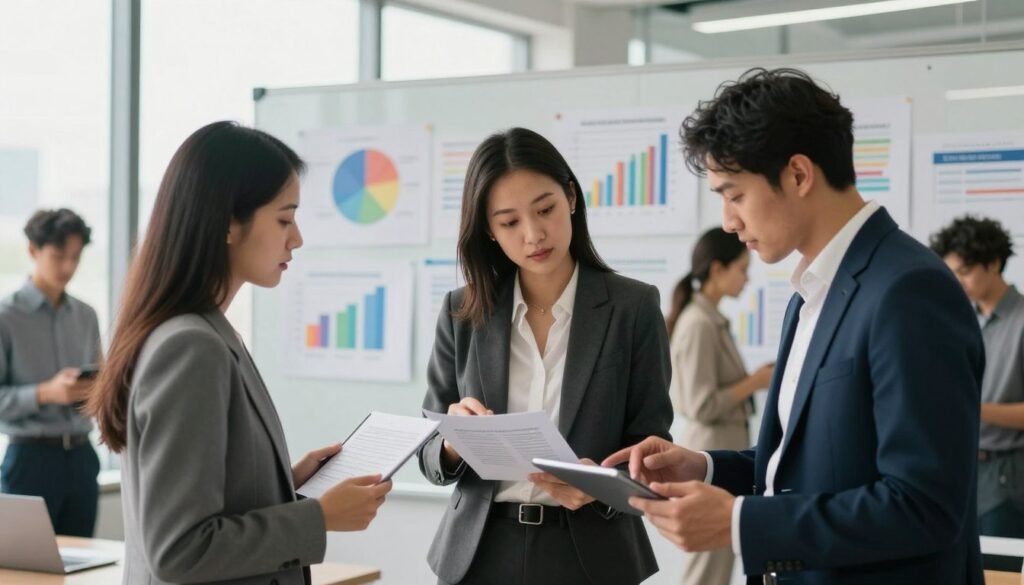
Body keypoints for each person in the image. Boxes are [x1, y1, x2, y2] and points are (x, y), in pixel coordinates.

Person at [605, 68, 985, 585]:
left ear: (799, 175)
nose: (728, 221)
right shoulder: (813, 291)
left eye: (734, 194)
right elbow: (809, 464)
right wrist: (705, 468)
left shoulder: (908, 291)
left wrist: (738, 523)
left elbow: (924, 505)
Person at [86, 121, 392, 584]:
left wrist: (287, 479)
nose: (297, 238)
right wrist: (320, 516)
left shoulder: (208, 332)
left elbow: (208, 495)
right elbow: (179, 551)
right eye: (285, 219)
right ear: (229, 222)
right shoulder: (191, 346)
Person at [417, 127, 673, 585]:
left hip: (592, 553)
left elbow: (650, 446)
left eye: (546, 209)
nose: (534, 234)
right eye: (509, 222)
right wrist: (454, 443)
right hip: (479, 553)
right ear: (489, 231)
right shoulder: (461, 310)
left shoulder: (632, 307)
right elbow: (429, 452)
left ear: (571, 197)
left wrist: (599, 485)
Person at [665, 226, 773, 585]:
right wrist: (755, 383)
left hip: (723, 452)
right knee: (707, 572)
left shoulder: (711, 320)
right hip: (710, 452)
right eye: (742, 268)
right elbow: (700, 404)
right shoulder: (699, 324)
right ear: (717, 270)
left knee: (717, 568)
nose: (746, 278)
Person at [0, 208, 102, 537]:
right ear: (33, 250)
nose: (68, 267)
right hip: (30, 460)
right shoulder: (6, 317)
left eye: (76, 257)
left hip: (83, 460)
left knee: (80, 570)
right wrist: (48, 392)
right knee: (25, 572)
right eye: (59, 256)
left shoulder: (87, 315)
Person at [930, 215, 1024, 538]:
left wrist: (972, 407)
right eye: (951, 273)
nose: (957, 282)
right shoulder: (963, 321)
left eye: (965, 272)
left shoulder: (1021, 321)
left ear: (995, 263)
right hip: (965, 468)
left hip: (1008, 475)